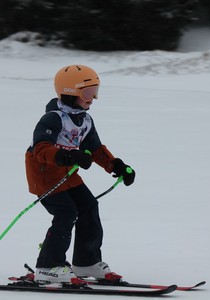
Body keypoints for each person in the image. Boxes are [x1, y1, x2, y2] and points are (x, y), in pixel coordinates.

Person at [25, 65, 135, 284]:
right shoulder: (53, 119)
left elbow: (95, 149)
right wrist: (70, 156)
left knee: (88, 206)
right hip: (44, 172)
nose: (93, 98)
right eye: (87, 93)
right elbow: (40, 149)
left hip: (67, 171)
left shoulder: (85, 120)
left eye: (95, 91)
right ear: (69, 92)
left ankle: (86, 262)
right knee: (66, 212)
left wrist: (116, 166)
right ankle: (48, 266)